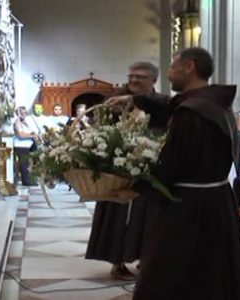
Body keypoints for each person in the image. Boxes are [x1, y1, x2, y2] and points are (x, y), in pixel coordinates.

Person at [108, 47, 240, 299]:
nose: (168, 73)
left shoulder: (193, 113)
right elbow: (169, 103)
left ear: (189, 67)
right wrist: (134, 99)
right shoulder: (212, 104)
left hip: (189, 209)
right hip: (216, 202)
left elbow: (173, 165)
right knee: (212, 273)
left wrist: (134, 189)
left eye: (173, 67)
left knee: (171, 272)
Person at [85, 61, 171, 280]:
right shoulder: (114, 99)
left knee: (149, 218)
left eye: (139, 77)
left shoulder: (161, 102)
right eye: (131, 76)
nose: (133, 80)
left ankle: (146, 260)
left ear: (153, 80)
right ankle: (118, 262)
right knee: (117, 216)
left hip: (148, 170)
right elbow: (98, 126)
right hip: (117, 170)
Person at [13, 106, 38, 186]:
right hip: (21, 146)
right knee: (24, 164)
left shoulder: (26, 122)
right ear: (18, 114)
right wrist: (32, 136)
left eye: (25, 113)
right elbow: (21, 135)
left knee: (29, 163)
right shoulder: (17, 122)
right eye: (22, 113)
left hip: (28, 146)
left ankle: (31, 178)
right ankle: (26, 181)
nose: (24, 115)